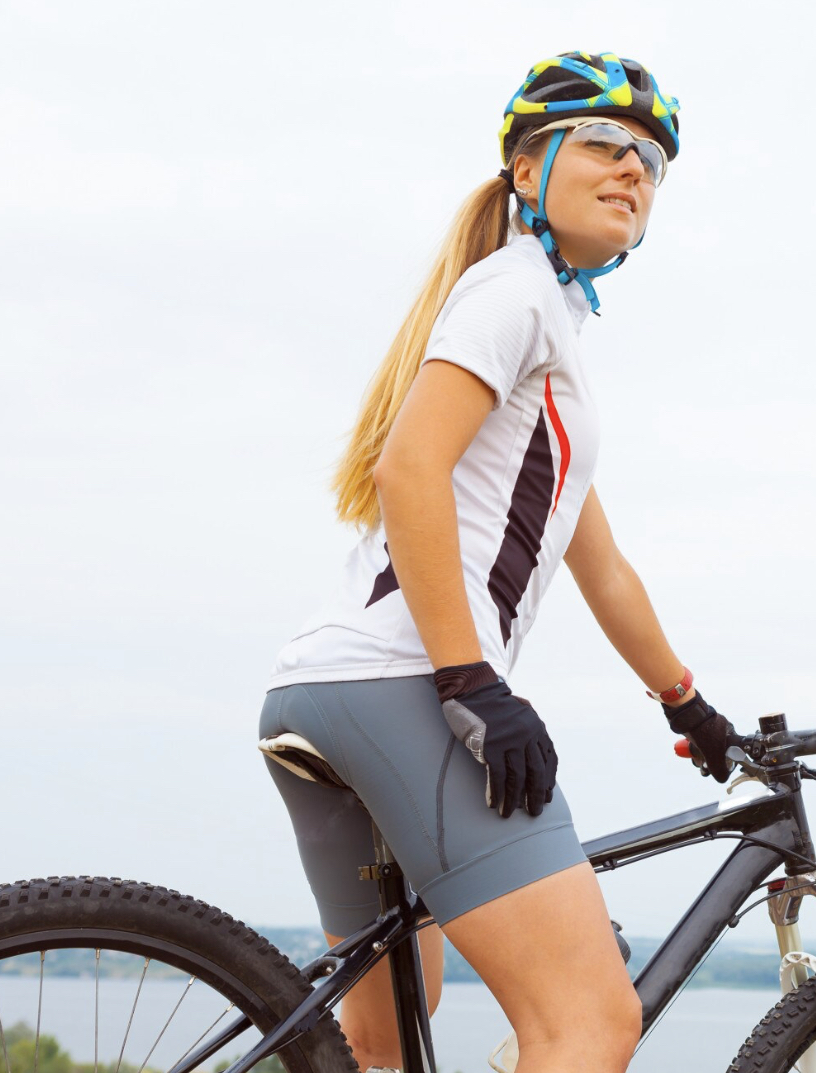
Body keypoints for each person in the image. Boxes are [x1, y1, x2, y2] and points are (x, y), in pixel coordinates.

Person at [259, 52, 739, 1073]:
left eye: (652, 160)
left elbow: (599, 565)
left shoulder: (545, 342)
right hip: (404, 683)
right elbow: (409, 467)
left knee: (387, 1036)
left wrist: (687, 703)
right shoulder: (515, 293)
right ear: (528, 171)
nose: (634, 170)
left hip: (320, 689)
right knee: (589, 1022)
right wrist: (470, 677)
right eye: (606, 143)